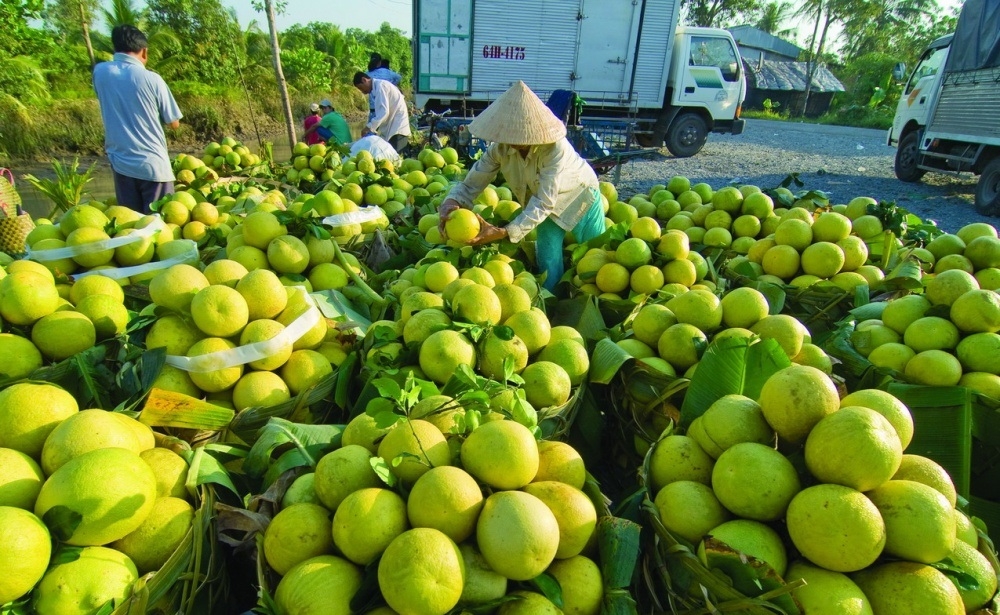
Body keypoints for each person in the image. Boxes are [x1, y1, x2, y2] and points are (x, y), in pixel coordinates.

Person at [438, 81, 605, 292]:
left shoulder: (554, 149)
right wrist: (452, 202)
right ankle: (552, 302)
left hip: (580, 192)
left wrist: (504, 232)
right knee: (548, 258)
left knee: (598, 254)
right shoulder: (500, 150)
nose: (514, 141)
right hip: (542, 202)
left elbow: (545, 201)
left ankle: (598, 302)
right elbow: (474, 180)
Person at [92, 24, 182, 214]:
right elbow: (173, 123)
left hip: (121, 165)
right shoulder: (152, 79)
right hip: (153, 166)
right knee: (159, 231)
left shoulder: (100, 73)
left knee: (131, 228)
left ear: (115, 48)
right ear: (144, 52)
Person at [353, 72, 411, 152]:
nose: (363, 91)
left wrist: (369, 127)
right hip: (393, 125)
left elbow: (383, 113)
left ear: (364, 80)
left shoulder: (381, 86)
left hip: (397, 127)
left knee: (396, 157)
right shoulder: (379, 87)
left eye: (361, 88)